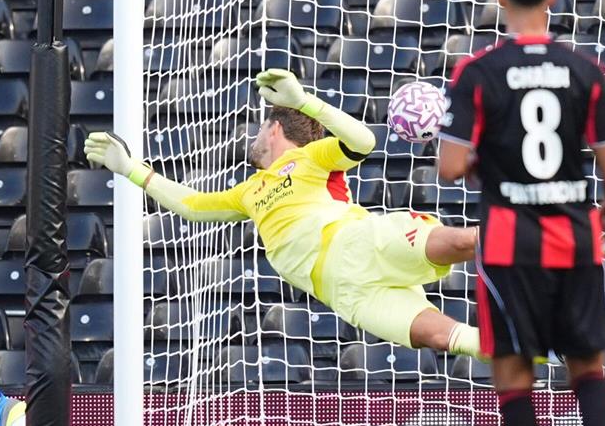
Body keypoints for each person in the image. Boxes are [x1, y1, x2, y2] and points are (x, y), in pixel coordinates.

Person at [84, 68, 483, 359]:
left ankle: (532, 238)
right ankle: (531, 350)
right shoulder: (248, 193)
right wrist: (131, 169)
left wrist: (304, 101)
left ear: (274, 129)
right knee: (443, 337)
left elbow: (362, 141)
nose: (253, 137)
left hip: (357, 243)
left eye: (258, 129)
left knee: (464, 241)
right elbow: (191, 206)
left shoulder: (312, 157)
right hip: (346, 294)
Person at [438, 0, 605, 426]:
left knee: (515, 375)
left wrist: (488, 155)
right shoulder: (586, 70)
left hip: (508, 243)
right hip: (575, 239)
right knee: (587, 368)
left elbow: (449, 168)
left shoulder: (475, 72)